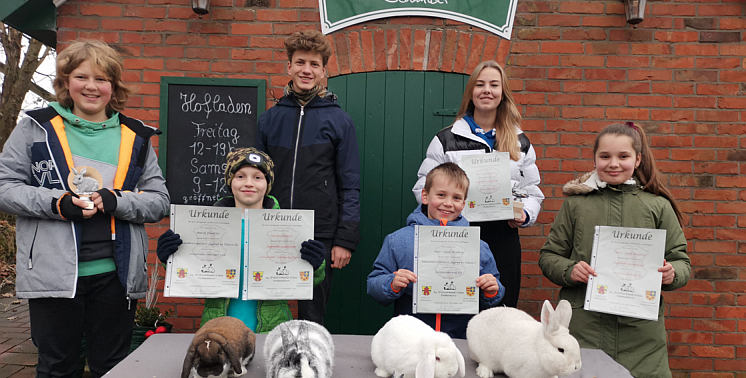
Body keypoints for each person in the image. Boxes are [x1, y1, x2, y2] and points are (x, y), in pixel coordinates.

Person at [0, 39, 170, 378]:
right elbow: (6, 187)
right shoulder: (35, 127)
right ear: (66, 81)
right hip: (54, 276)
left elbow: (159, 200)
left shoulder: (136, 136)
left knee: (111, 370)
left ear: (114, 85)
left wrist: (116, 201)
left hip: (116, 275)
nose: (91, 86)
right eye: (82, 77)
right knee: (57, 370)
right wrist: (57, 203)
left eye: (102, 78)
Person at [538, 122, 691, 378]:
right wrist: (570, 270)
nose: (613, 164)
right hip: (583, 326)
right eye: (605, 156)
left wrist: (672, 273)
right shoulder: (575, 204)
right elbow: (550, 256)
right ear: (594, 158)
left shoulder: (657, 206)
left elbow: (681, 260)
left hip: (640, 336)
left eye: (623, 156)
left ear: (638, 159)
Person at [413, 60, 544, 309]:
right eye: (480, 84)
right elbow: (423, 187)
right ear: (471, 92)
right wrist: (446, 211)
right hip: (456, 234)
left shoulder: (520, 142)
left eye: (494, 85)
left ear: (502, 93)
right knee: (456, 307)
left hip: (502, 236)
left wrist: (525, 213)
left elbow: (532, 191)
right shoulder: (446, 139)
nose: (487, 90)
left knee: (499, 311)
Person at [156, 147, 327, 333]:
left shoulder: (290, 228)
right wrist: (171, 259)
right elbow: (190, 273)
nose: (248, 183)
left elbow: (309, 281)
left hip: (270, 332)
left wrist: (316, 265)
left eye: (258, 177)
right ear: (230, 182)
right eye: (240, 176)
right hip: (219, 331)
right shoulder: (206, 227)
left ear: (267, 183)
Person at [257, 29, 360, 324]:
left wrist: (345, 240)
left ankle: (309, 366)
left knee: (312, 314)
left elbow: (350, 184)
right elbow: (251, 180)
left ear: (324, 71)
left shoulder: (339, 120)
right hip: (270, 228)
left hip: (320, 233)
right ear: (289, 67)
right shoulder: (269, 119)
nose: (306, 70)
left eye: (314, 64)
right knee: (266, 305)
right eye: (300, 62)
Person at [367, 162, 504, 340]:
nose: (448, 203)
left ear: (464, 203)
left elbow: (495, 290)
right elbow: (374, 283)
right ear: (425, 196)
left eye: (456, 198)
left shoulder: (478, 245)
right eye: (441, 195)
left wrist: (491, 289)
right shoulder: (398, 240)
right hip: (410, 336)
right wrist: (392, 283)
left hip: (460, 337)